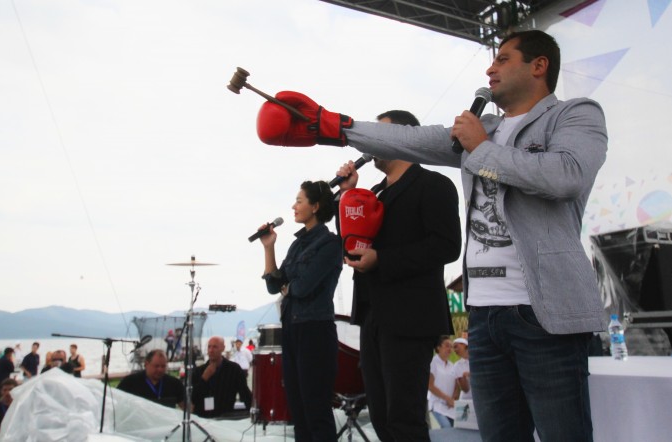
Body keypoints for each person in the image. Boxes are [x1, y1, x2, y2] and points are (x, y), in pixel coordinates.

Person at [257, 29, 607, 442]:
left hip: (542, 312)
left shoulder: (575, 114)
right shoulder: (484, 128)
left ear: (539, 66)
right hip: (484, 315)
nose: (490, 69)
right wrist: (333, 126)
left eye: (503, 59)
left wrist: (480, 148)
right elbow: (409, 138)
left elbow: (567, 175)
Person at [333, 110, 461, 441]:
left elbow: (446, 246)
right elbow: (349, 240)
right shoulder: (374, 193)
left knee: (404, 417)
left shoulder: (433, 185)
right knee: (380, 416)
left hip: (410, 316)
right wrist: (347, 196)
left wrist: (382, 260)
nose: (372, 143)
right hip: (372, 315)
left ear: (405, 138)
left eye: (381, 134)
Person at [257, 180, 342, 440]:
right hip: (292, 328)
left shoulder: (330, 243)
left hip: (315, 330)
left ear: (315, 207)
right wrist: (269, 246)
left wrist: (288, 287)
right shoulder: (297, 244)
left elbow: (303, 287)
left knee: (316, 410)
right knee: (298, 412)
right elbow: (274, 285)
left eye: (299, 201)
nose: (293, 206)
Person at [190, 336, 251, 418]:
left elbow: (245, 395)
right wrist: (204, 378)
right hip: (202, 417)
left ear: (223, 348)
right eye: (209, 347)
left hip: (225, 417)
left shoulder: (234, 370)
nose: (211, 350)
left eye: (215, 347)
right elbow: (193, 398)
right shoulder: (199, 371)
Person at [117, 349, 185, 409]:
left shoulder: (175, 384)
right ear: (146, 364)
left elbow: (186, 407)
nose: (160, 370)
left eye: (163, 366)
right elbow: (116, 404)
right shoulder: (130, 382)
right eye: (156, 366)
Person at [427, 336, 458, 429]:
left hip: (450, 406)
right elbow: (430, 386)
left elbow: (456, 385)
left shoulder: (452, 365)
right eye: (447, 346)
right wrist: (447, 398)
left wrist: (452, 399)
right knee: (446, 427)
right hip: (437, 405)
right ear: (438, 347)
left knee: (454, 429)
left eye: (451, 347)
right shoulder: (433, 362)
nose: (450, 349)